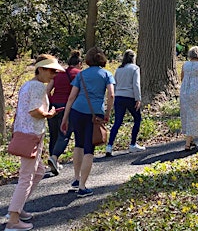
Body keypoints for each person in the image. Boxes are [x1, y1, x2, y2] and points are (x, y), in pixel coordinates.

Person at [5, 55, 64, 231]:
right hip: (31, 136)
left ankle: (18, 208)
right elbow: (34, 111)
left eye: (55, 71)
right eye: (51, 70)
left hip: (25, 134)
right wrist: (49, 114)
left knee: (38, 172)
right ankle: (13, 219)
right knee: (26, 177)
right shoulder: (38, 86)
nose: (54, 74)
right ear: (41, 69)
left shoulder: (28, 84)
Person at [60, 47, 115, 198]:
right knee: (89, 148)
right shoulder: (106, 74)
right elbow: (111, 94)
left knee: (78, 144)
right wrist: (108, 113)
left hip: (77, 111)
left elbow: (71, 97)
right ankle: (83, 186)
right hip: (95, 113)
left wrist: (65, 117)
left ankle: (76, 179)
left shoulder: (81, 74)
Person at [46, 50, 83, 175]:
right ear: (79, 63)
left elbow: (47, 90)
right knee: (64, 134)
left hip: (53, 106)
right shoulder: (78, 74)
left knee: (53, 134)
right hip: (68, 107)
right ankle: (54, 157)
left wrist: (51, 103)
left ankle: (54, 162)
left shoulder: (58, 74)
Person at [105, 50, 145, 157]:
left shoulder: (119, 69)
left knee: (117, 122)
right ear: (133, 58)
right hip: (130, 97)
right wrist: (138, 98)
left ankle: (109, 145)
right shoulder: (135, 68)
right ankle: (132, 144)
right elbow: (136, 84)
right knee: (137, 119)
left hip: (119, 97)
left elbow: (115, 84)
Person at [180, 46, 198, 150]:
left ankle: (190, 139)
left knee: (187, 114)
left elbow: (182, 78)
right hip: (196, 91)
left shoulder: (185, 65)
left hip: (184, 91)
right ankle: (187, 144)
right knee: (195, 114)